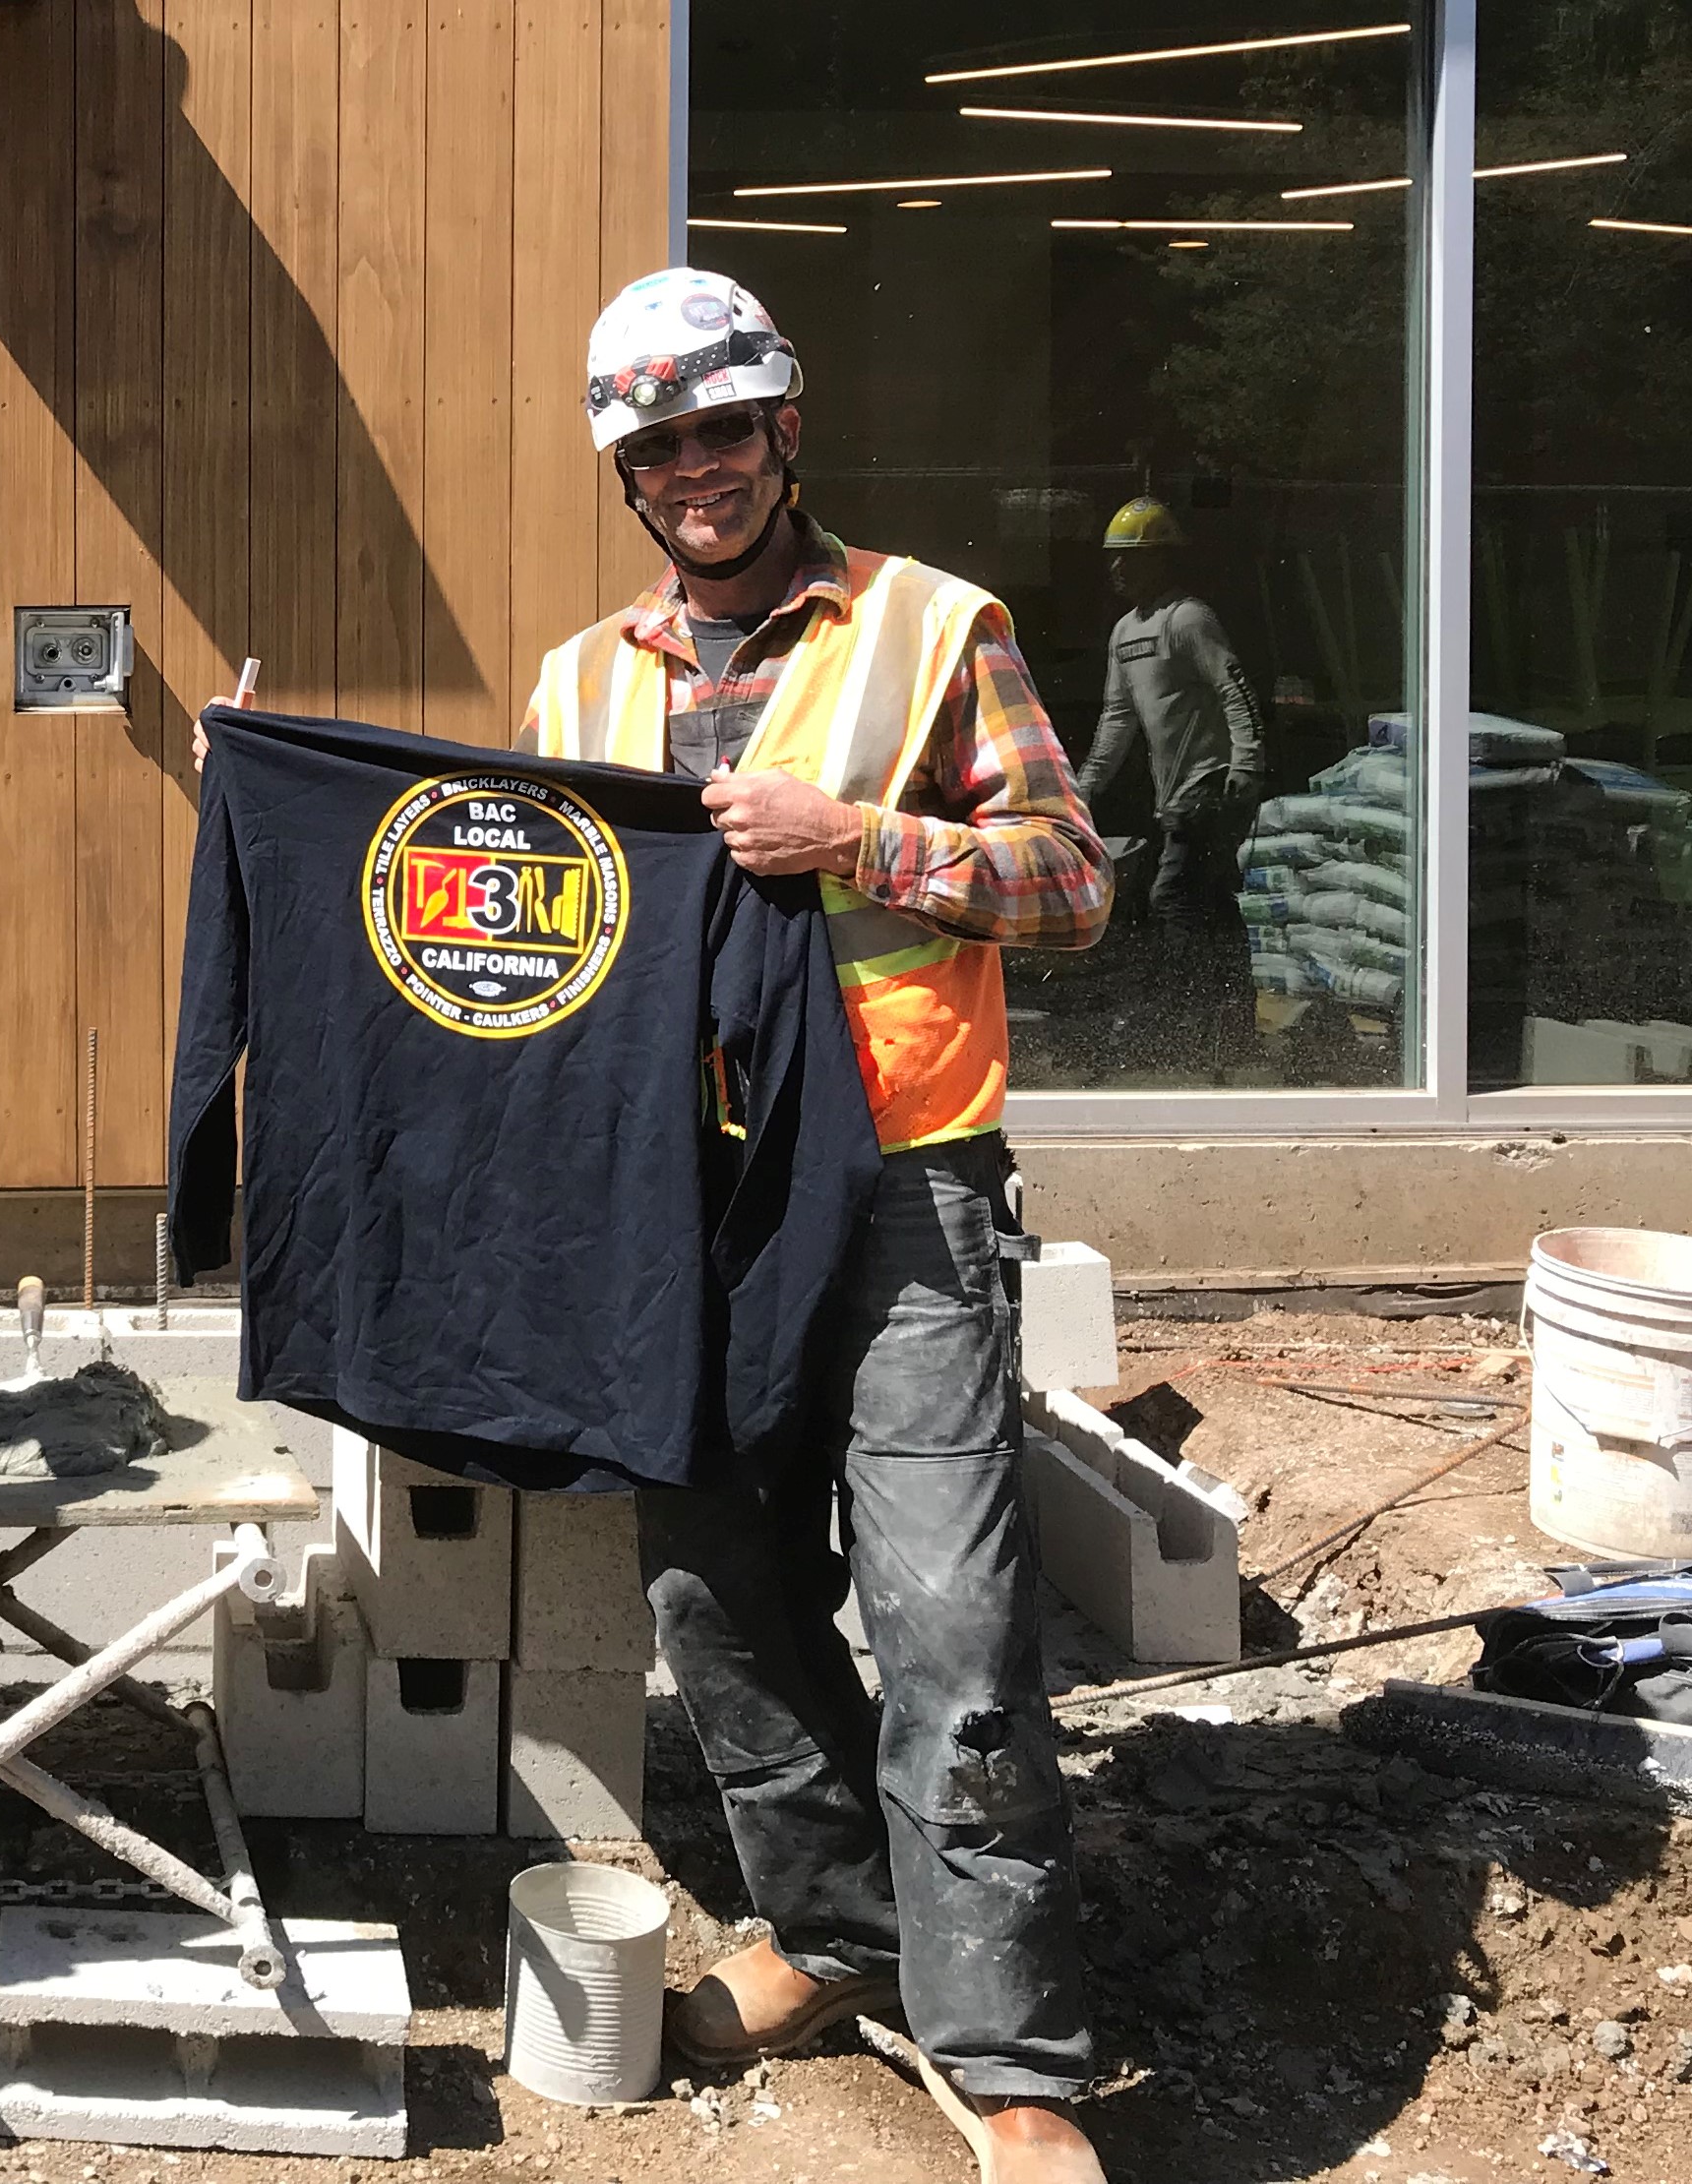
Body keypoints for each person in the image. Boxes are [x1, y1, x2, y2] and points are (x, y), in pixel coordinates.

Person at [522, 270, 1118, 2184]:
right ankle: (834, 1930)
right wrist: (280, 803)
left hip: (905, 1190)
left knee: (948, 1614)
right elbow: (523, 941)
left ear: (786, 427)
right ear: (625, 475)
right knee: (718, 1598)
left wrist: (856, 841)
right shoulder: (579, 686)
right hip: (684, 1205)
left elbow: (1073, 883)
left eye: (720, 430)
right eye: (654, 448)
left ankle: (1009, 2054)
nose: (692, 471)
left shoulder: (935, 629)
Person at [1077, 496, 1266, 936]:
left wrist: (1246, 762)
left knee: (1172, 896)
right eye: (1114, 557)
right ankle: (1230, 975)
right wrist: (1087, 785)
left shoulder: (1188, 620)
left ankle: (1191, 978)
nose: (1117, 567)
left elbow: (1234, 690)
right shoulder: (1125, 632)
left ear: (1161, 559)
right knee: (1209, 896)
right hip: (1173, 793)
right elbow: (1117, 717)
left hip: (1208, 783)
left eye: (1131, 557)